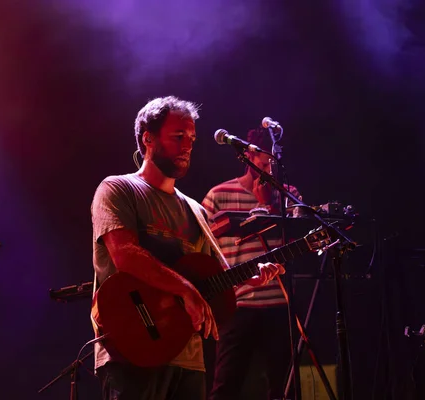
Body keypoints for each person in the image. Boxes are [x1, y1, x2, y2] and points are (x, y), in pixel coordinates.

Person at [90, 96, 285, 400]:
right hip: (132, 349)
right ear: (148, 139)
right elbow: (125, 253)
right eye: (178, 136)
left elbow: (212, 279)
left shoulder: (196, 210)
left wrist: (248, 276)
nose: (187, 145)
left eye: (191, 138)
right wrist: (185, 290)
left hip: (189, 356)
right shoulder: (118, 188)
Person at [202, 128, 302, 400]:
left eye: (272, 160)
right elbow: (202, 250)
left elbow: (295, 245)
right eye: (261, 158)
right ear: (247, 155)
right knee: (226, 386)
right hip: (238, 305)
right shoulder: (219, 195)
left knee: (284, 388)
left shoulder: (288, 195)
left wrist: (267, 206)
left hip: (279, 304)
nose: (267, 164)